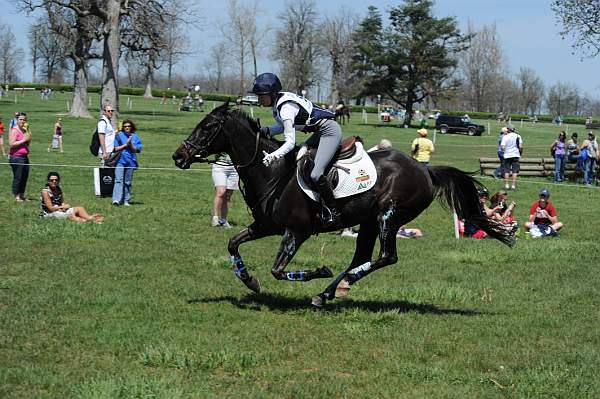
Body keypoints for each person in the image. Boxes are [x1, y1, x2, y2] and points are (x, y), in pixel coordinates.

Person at [251, 72, 342, 226]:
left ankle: (334, 211)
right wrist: (266, 130)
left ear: (272, 94)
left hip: (329, 132)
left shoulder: (285, 108)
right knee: (299, 160)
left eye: (261, 96)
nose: (259, 99)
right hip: (318, 132)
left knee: (316, 174)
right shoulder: (279, 102)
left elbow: (290, 143)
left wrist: (273, 156)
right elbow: (283, 126)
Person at [111, 119, 142, 206]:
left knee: (127, 182)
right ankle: (116, 200)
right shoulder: (119, 136)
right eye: (125, 126)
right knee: (118, 180)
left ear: (131, 127)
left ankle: (126, 200)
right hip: (120, 161)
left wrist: (130, 144)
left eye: (128, 126)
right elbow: (115, 148)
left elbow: (137, 150)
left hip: (131, 162)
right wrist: (125, 145)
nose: (127, 128)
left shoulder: (135, 137)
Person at [211, 152, 239, 228]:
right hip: (220, 166)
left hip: (234, 168)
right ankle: (215, 218)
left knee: (227, 196)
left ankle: (223, 220)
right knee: (221, 192)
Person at [8, 112, 31, 202]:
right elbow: (11, 144)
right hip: (16, 157)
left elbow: (28, 142)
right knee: (18, 176)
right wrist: (23, 140)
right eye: (20, 119)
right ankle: (16, 195)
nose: (22, 121)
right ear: (17, 120)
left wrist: (28, 137)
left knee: (25, 176)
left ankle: (22, 195)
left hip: (25, 156)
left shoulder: (25, 130)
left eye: (24, 120)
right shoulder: (14, 130)